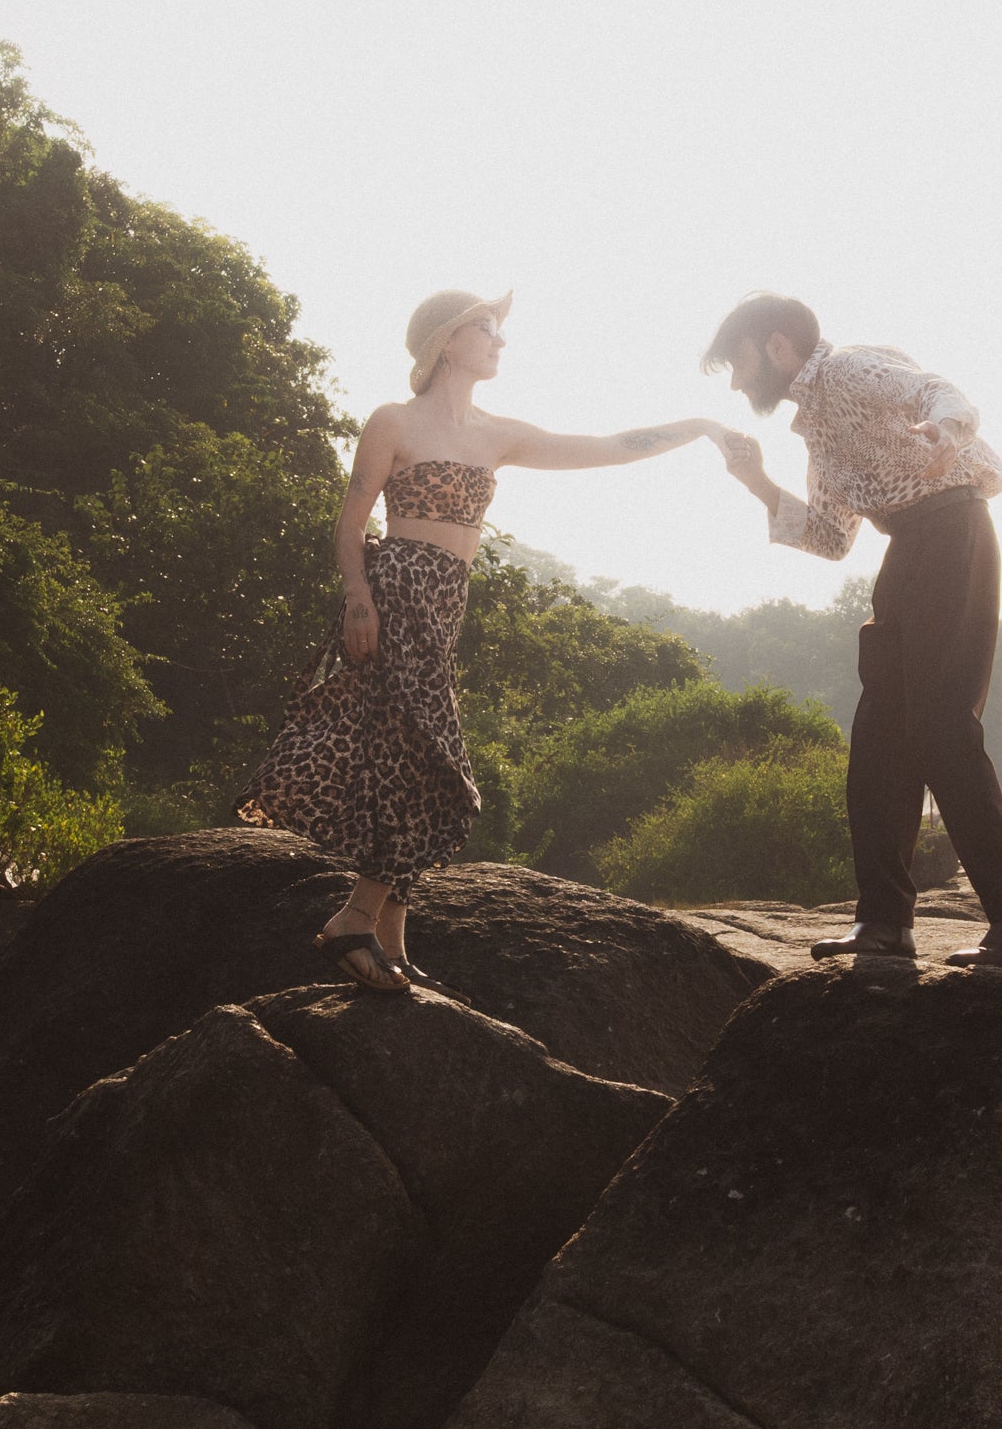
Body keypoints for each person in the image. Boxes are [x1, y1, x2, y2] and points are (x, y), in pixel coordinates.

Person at [242, 289, 730, 993]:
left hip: (446, 605)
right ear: (448, 341)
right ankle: (353, 918)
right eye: (488, 329)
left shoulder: (497, 433)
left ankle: (393, 944)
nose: (501, 341)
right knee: (437, 769)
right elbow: (350, 521)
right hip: (399, 591)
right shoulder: (393, 421)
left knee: (402, 765)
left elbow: (610, 449)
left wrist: (699, 425)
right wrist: (358, 599)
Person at [704, 292, 1002, 970]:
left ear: (779, 345)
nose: (737, 380)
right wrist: (756, 481)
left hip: (953, 531)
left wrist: (946, 431)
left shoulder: (851, 369)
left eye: (741, 360)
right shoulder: (814, 428)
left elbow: (937, 390)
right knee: (877, 742)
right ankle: (884, 923)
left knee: (938, 726)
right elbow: (830, 537)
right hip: (909, 551)